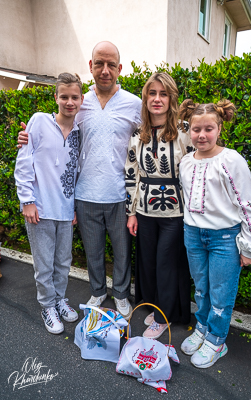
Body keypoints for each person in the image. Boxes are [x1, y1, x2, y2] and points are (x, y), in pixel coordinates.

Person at [18, 42, 142, 320]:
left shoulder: (135, 104)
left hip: (120, 195)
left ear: (120, 68)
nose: (105, 70)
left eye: (111, 65)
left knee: (122, 253)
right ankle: (98, 291)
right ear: (91, 66)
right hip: (83, 194)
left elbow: (152, 136)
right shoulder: (80, 102)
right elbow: (53, 134)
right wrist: (26, 139)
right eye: (99, 63)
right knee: (93, 251)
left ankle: (121, 294)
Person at [178, 99, 251, 368]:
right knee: (202, 289)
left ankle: (217, 340)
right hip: (193, 234)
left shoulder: (231, 160)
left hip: (224, 239)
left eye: (208, 129)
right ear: (189, 129)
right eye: (196, 129)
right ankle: (203, 328)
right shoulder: (185, 162)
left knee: (221, 292)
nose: (202, 135)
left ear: (219, 128)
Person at [125, 72, 193, 339]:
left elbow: (197, 169)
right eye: (152, 93)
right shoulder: (137, 132)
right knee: (149, 262)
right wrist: (131, 212)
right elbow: (132, 173)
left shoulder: (185, 130)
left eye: (163, 93)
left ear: (171, 98)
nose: (157, 99)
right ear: (145, 98)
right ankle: (154, 305)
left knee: (167, 262)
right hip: (144, 210)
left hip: (176, 212)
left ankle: (164, 315)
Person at [15, 73, 84, 334]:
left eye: (74, 97)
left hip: (65, 209)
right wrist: (27, 201)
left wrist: (74, 206)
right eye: (64, 96)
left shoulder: (79, 131)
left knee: (63, 261)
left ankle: (59, 299)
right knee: (44, 263)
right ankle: (47, 305)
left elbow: (76, 172)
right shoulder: (39, 122)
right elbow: (24, 162)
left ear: (81, 99)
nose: (69, 102)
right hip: (40, 209)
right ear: (55, 97)